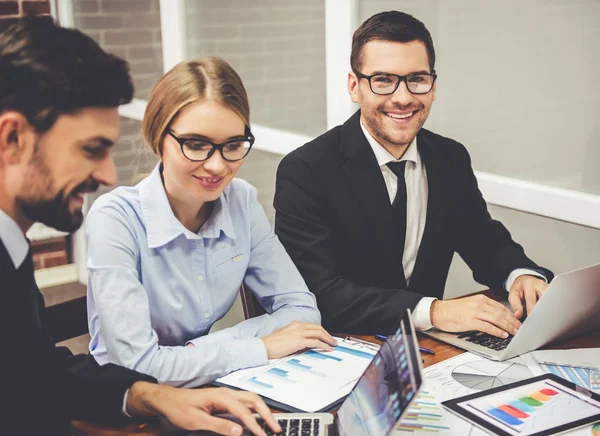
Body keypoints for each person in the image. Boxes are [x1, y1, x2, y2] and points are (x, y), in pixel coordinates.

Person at [0, 17, 281, 436]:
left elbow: (37, 374)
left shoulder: (12, 247)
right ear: (12, 139)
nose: (109, 175)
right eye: (92, 150)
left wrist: (155, 395)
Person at [274, 11, 553, 337]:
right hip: (340, 351)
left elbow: (483, 240)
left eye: (417, 79)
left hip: (430, 354)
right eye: (383, 80)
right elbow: (318, 293)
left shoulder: (450, 158)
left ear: (433, 87)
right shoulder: (306, 171)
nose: (403, 97)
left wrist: (520, 276)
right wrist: (434, 310)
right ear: (354, 87)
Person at [85, 56, 335, 387]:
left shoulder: (241, 201)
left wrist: (193, 353)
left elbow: (302, 311)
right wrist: (258, 347)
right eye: (197, 145)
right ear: (159, 139)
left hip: (206, 385)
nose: (217, 166)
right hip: (123, 405)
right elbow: (137, 367)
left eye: (233, 145)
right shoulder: (114, 219)